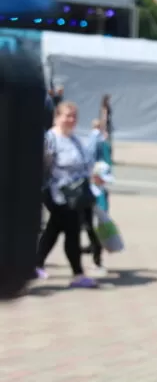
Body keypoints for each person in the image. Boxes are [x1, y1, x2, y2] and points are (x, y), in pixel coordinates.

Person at [37, 101, 98, 288]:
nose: (71, 120)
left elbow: (86, 163)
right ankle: (77, 274)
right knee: (72, 232)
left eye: (74, 117)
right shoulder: (50, 139)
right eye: (67, 116)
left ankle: (35, 264)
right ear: (57, 117)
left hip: (76, 195)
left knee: (54, 229)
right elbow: (42, 167)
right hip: (57, 194)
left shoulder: (75, 140)